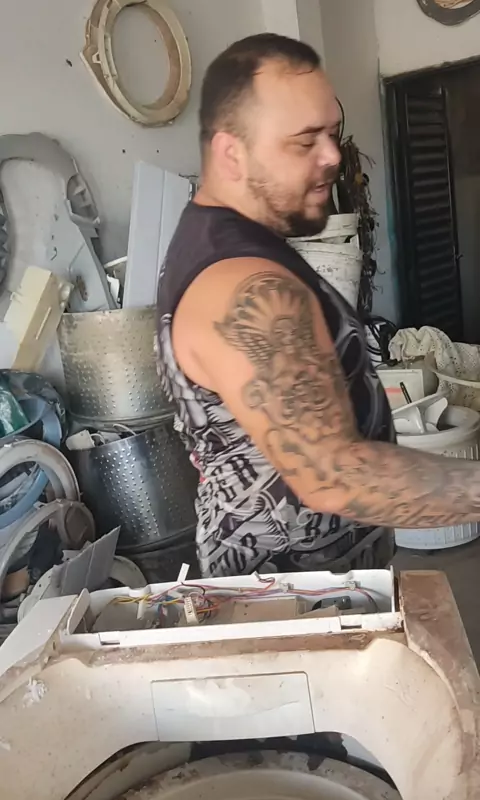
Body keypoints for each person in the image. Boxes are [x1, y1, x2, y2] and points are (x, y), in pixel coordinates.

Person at [156, 33, 480, 578]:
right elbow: (335, 476)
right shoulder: (243, 285)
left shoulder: (238, 243)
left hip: (325, 583)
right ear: (232, 154)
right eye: (304, 142)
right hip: (284, 598)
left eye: (332, 133)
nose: (332, 156)